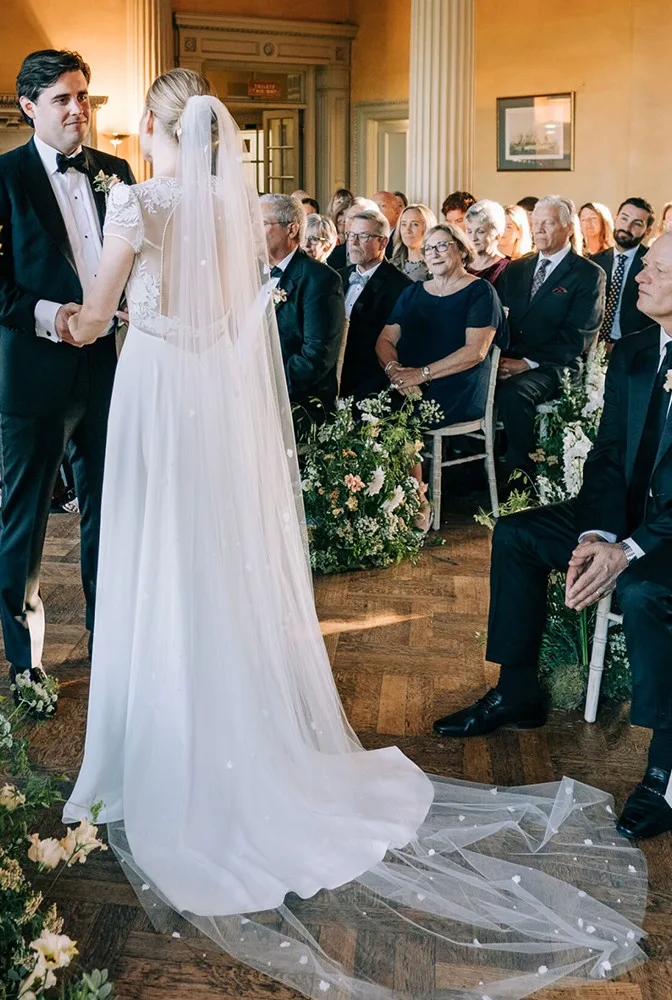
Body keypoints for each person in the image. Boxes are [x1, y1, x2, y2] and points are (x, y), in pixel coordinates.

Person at [58, 68, 646, 997]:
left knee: (153, 562)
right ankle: (233, 730)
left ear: (149, 125)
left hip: (152, 397)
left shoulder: (138, 202)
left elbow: (94, 317)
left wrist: (76, 315)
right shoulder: (224, 206)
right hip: (204, 403)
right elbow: (232, 323)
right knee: (208, 564)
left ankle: (154, 748)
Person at [434, 232, 672, 842]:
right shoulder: (639, 350)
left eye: (656, 267)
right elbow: (610, 454)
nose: (639, 276)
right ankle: (517, 690)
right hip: (620, 517)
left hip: (667, 537)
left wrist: (629, 551)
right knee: (516, 535)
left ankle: (665, 769)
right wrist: (597, 531)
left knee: (647, 597)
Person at [0, 49, 134, 706]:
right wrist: (52, 316)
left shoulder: (115, 174)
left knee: (108, 514)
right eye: (62, 99)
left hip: (108, 372)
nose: (77, 110)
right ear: (29, 106)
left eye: (83, 97)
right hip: (32, 378)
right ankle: (26, 665)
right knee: (25, 522)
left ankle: (108, 640)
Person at [495, 195, 606, 479]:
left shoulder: (588, 274)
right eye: (535, 223)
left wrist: (527, 363)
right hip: (511, 359)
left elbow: (577, 338)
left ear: (568, 227)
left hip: (556, 365)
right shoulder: (517, 268)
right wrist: (497, 360)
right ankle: (475, 465)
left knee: (514, 393)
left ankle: (522, 473)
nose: (539, 229)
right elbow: (501, 322)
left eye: (548, 223)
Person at [377, 223, 503, 427]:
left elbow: (475, 352)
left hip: (457, 384)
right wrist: (395, 372)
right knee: (363, 405)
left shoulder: (480, 291)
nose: (434, 253)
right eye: (428, 248)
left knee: (396, 420)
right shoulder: (413, 292)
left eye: (442, 246)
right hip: (407, 381)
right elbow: (385, 339)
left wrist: (420, 374)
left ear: (462, 250)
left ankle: (410, 458)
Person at [261, 193, 345, 436]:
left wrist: (263, 387)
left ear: (292, 229)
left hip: (295, 402)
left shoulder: (320, 280)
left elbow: (315, 358)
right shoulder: (250, 275)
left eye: (263, 224)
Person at [338, 207, 411, 399]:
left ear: (383, 242)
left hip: (370, 380)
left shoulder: (402, 287)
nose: (352, 242)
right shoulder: (337, 277)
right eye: (350, 234)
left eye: (362, 236)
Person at [592, 197, 655, 342]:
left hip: (633, 346)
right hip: (593, 345)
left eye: (637, 224)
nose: (627, 228)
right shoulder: (594, 261)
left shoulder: (653, 264)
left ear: (647, 231)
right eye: (624, 219)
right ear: (615, 219)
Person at [464, 199, 510, 286]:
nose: (473, 238)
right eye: (469, 231)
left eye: (480, 231)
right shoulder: (461, 265)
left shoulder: (507, 269)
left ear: (497, 235)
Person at [390, 202, 436, 282]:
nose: (407, 230)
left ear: (427, 228)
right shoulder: (391, 265)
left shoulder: (436, 268)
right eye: (403, 224)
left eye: (415, 224)